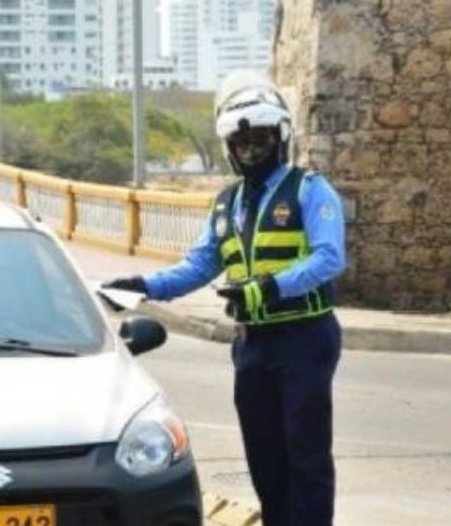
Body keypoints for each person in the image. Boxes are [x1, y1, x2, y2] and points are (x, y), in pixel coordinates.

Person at [103, 71, 345, 526]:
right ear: (229, 147)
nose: (252, 150)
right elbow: (198, 266)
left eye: (261, 140)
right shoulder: (226, 205)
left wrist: (271, 287)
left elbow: (330, 257)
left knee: (305, 452)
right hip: (252, 343)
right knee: (264, 453)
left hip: (303, 338)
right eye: (242, 142)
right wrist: (142, 285)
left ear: (281, 138)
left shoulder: (309, 190)